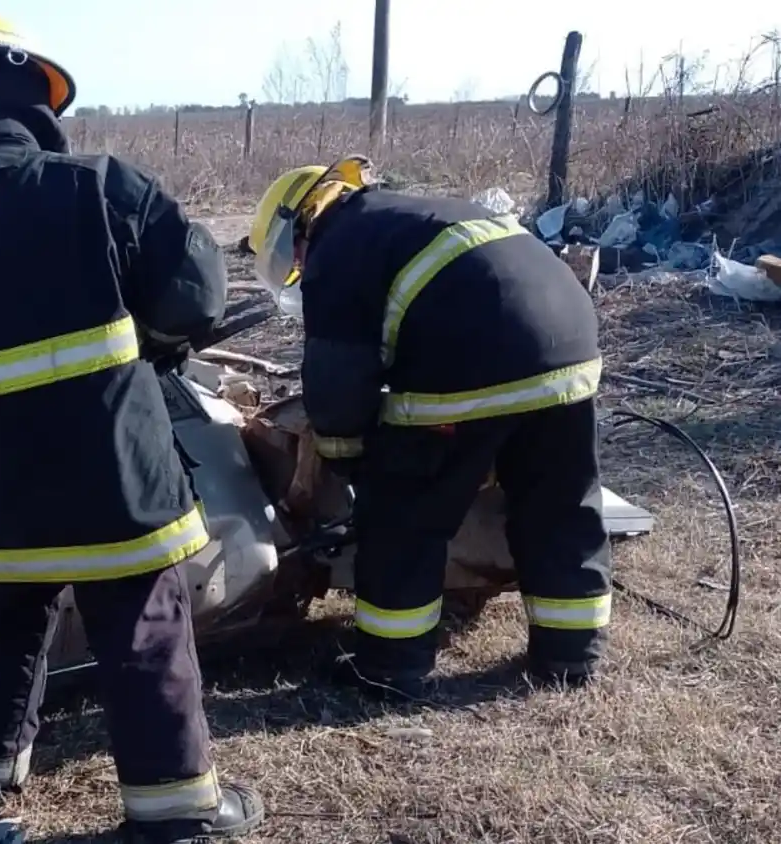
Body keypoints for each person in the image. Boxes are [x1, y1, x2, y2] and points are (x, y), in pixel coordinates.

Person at [0, 15, 264, 844]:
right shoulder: (105, 188)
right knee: (143, 632)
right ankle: (176, 811)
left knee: (0, 627)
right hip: (116, 483)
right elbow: (198, 296)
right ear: (39, 104)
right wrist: (145, 346)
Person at [242, 156, 614, 699]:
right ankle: (569, 656)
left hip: (480, 351)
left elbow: (339, 383)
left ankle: (388, 666)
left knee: (403, 513)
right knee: (560, 503)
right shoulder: (413, 214)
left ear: (302, 224)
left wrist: (352, 463)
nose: (297, 268)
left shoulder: (338, 245)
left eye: (289, 257)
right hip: (570, 348)